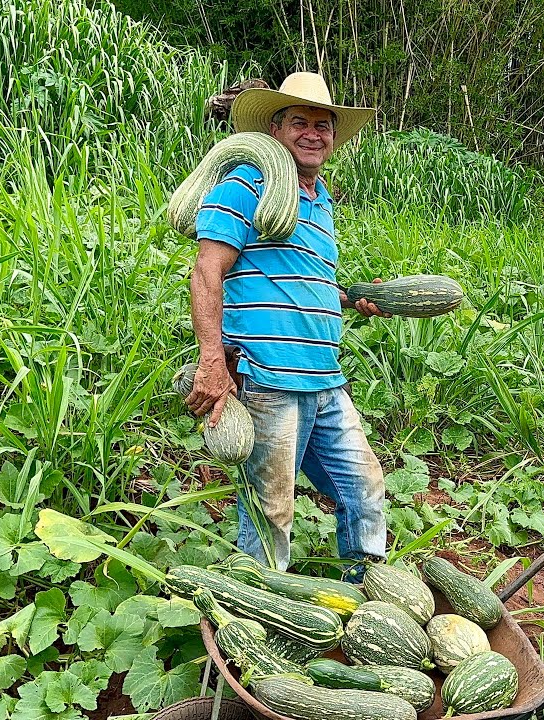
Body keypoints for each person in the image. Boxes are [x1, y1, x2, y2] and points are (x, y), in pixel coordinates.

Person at [183, 72, 390, 581]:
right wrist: (212, 361)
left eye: (324, 125)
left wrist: (351, 298)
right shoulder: (246, 186)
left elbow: (307, 280)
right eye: (300, 122)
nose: (314, 133)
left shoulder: (322, 203)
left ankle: (369, 604)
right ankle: (257, 621)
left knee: (364, 488)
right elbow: (207, 270)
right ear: (275, 130)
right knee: (271, 509)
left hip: (326, 380)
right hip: (269, 379)